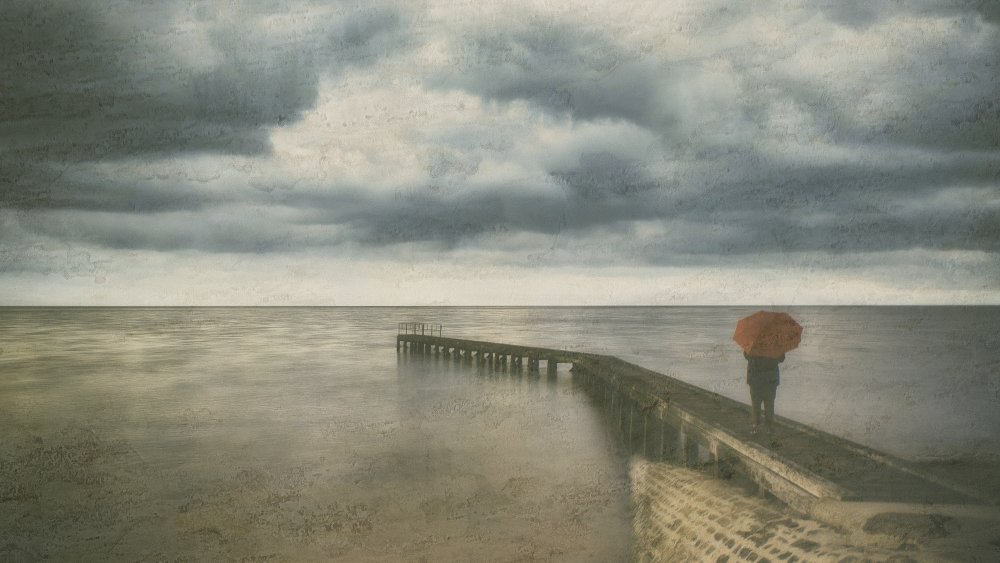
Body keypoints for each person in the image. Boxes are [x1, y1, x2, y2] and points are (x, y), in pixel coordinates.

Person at [744, 351, 784, 435]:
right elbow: (781, 359)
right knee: (769, 403)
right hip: (770, 380)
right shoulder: (775, 344)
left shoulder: (752, 342)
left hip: (755, 379)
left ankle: (755, 425)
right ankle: (769, 427)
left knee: (756, 403)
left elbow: (746, 356)